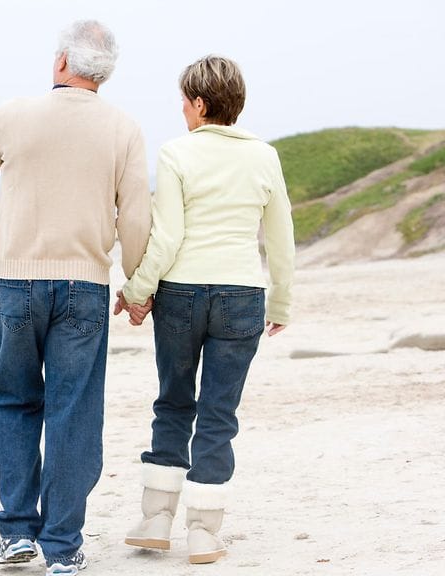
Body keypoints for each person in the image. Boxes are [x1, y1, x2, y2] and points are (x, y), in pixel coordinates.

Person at [0, 20, 152, 576]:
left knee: (14, 402)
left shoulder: (14, 114)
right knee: (73, 412)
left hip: (17, 282)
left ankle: (15, 533)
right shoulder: (124, 128)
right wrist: (136, 285)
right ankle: (62, 545)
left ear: (61, 62)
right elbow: (134, 215)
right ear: (104, 73)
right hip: (85, 283)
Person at [115, 55, 295, 564]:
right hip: (241, 294)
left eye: (183, 101)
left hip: (181, 293)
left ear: (199, 102)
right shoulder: (265, 156)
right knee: (218, 412)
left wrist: (136, 290)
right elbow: (280, 236)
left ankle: (155, 519)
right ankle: (202, 531)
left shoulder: (177, 153)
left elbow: (167, 235)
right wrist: (282, 298)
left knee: (173, 402)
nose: (181, 111)